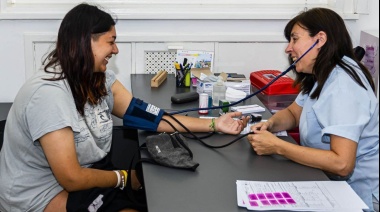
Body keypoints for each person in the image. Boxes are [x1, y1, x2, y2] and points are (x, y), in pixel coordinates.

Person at [0, 3, 248, 212]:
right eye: (111, 42)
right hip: (41, 192)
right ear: (85, 43)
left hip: (91, 174)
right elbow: (72, 178)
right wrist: (125, 178)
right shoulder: (48, 95)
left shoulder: (98, 78)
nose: (116, 50)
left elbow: (149, 117)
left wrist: (215, 124)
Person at [247, 8, 379, 212]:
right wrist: (270, 125)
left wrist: (277, 147)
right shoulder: (324, 73)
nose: (288, 49)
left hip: (358, 196)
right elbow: (293, 113)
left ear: (320, 39)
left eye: (294, 39)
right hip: (331, 184)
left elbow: (342, 163)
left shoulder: (343, 87)